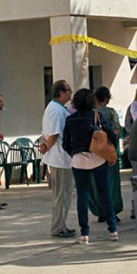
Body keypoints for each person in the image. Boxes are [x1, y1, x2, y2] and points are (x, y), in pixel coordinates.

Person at [62, 88, 117, 245]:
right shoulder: (97, 116)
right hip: (98, 158)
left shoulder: (70, 119)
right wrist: (111, 153)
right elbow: (111, 135)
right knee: (104, 194)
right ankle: (113, 229)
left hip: (78, 160)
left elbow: (65, 143)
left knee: (82, 196)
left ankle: (84, 233)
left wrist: (74, 153)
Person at [41, 80, 75, 238]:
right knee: (62, 194)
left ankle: (61, 225)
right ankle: (58, 227)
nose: (71, 92)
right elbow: (54, 134)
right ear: (61, 92)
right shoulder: (57, 110)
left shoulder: (55, 108)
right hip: (60, 158)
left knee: (63, 193)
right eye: (68, 89)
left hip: (59, 157)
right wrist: (47, 147)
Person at [93, 86, 124, 219]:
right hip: (110, 150)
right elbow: (117, 130)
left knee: (97, 181)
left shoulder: (92, 112)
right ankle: (111, 209)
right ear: (107, 98)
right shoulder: (111, 112)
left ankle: (100, 209)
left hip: (95, 151)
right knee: (111, 182)